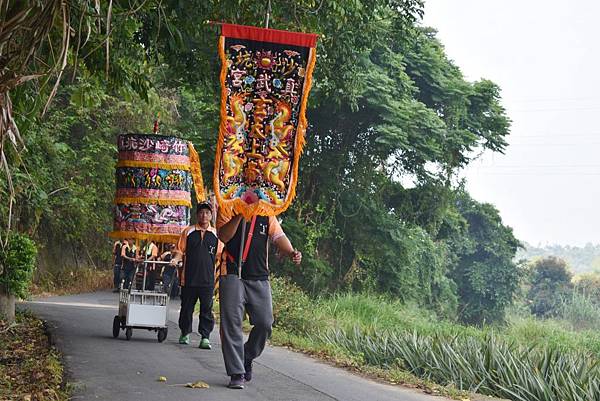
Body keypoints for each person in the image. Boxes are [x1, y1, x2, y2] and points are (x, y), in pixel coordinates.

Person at [217, 212, 301, 389]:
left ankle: (246, 356)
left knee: (265, 323)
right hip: (232, 272)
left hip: (259, 276)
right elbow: (223, 236)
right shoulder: (227, 206)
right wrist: (240, 214)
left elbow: (278, 236)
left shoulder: (266, 213)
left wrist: (292, 252)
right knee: (231, 324)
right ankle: (236, 373)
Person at [172, 202, 220, 349]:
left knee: (206, 309)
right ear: (196, 214)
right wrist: (175, 259)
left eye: (207, 213)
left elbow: (221, 255)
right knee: (187, 307)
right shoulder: (188, 232)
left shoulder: (217, 235)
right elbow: (180, 250)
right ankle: (184, 333)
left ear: (211, 215)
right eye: (201, 212)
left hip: (208, 280)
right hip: (189, 278)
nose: (203, 215)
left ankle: (205, 337)